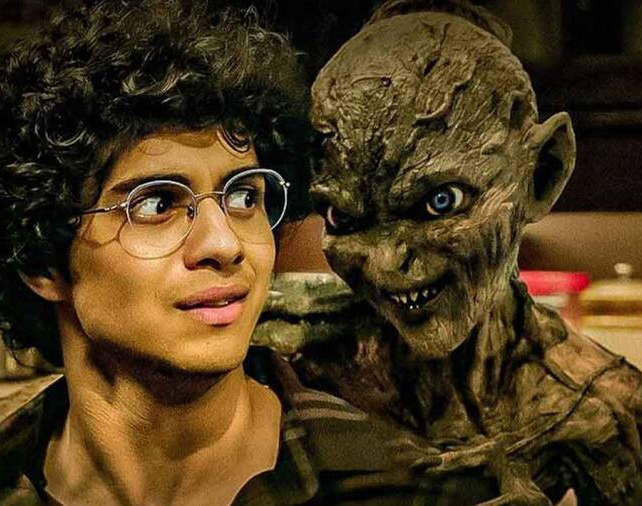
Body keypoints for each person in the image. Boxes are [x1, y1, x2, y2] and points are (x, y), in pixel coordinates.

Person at [0, 1, 437, 504]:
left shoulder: (397, 488)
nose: (225, 245)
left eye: (244, 197)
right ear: (41, 261)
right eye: (157, 204)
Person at [266, 0, 641, 504]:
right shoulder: (295, 373)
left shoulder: (600, 413)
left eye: (440, 202)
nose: (386, 262)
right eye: (344, 217)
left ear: (540, 174)